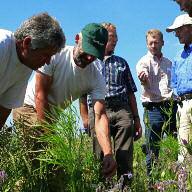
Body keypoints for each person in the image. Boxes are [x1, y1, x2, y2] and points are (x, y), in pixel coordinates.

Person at [13, 23, 116, 179]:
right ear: (77, 39)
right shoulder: (55, 55)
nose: (89, 58)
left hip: (51, 119)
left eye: (94, 54)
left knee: (45, 171)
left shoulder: (96, 77)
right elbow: (40, 95)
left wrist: (108, 153)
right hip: (28, 108)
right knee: (48, 168)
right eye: (87, 51)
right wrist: (49, 137)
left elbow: (100, 115)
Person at [79, 22, 142, 185]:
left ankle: (124, 186)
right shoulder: (91, 62)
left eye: (116, 38)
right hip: (98, 109)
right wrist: (85, 117)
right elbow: (82, 93)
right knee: (100, 153)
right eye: (111, 37)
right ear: (103, 39)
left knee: (124, 153)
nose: (114, 41)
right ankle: (102, 186)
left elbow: (130, 93)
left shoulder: (122, 62)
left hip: (122, 110)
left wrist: (136, 119)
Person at [0, 12, 65, 129]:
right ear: (27, 43)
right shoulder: (2, 46)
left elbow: (4, 108)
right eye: (45, 55)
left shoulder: (26, 66)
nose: (48, 62)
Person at [136, 29, 177, 177]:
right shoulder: (143, 62)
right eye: (150, 43)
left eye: (156, 42)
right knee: (152, 148)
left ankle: (176, 179)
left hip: (170, 106)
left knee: (175, 144)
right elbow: (143, 75)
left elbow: (175, 83)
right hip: (153, 108)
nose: (153, 45)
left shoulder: (169, 63)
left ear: (162, 43)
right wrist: (143, 78)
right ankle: (152, 183)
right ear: (147, 45)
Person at [166, 14, 192, 162]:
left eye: (179, 30)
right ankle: (186, 184)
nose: (176, 34)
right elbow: (174, 83)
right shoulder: (177, 57)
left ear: (189, 28)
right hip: (182, 105)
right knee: (184, 150)